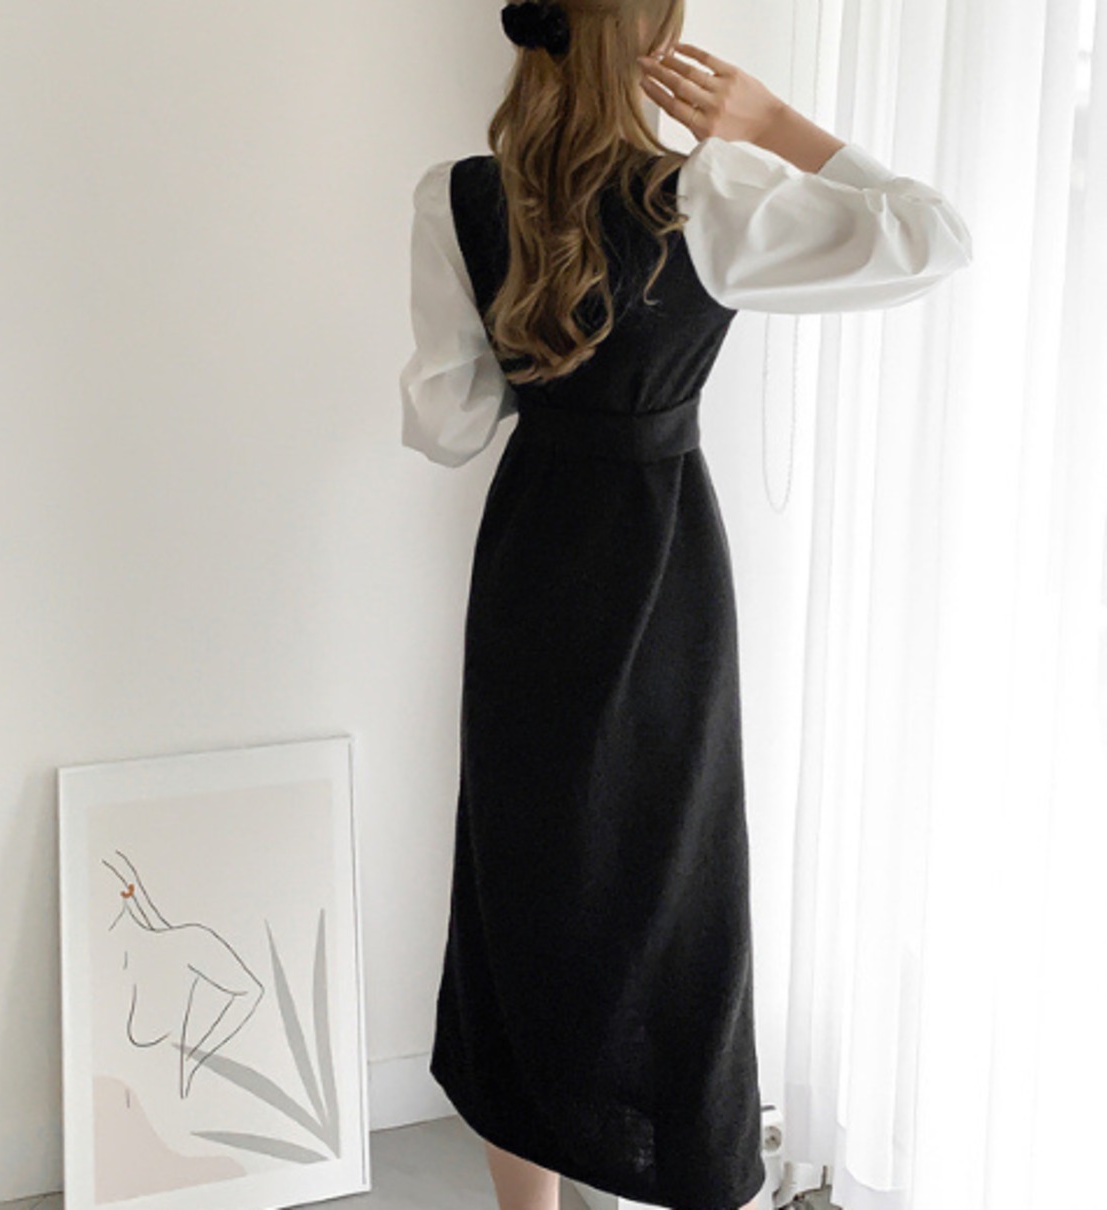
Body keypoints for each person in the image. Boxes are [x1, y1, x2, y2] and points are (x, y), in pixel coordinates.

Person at [399, 4, 972, 1209]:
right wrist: (774, 123)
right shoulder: (706, 195)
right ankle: (677, 1171)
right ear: (653, 36)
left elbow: (445, 425)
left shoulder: (460, 195)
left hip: (528, 564)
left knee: (521, 880)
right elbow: (933, 237)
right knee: (666, 887)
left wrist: (535, 347)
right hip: (660, 572)